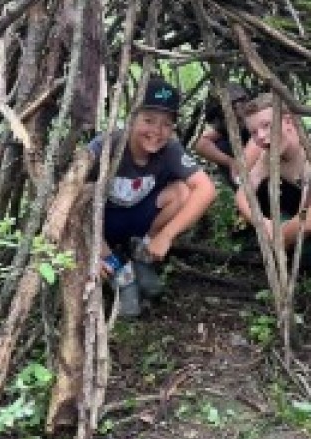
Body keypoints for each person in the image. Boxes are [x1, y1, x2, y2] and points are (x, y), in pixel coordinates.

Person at [91, 77, 218, 318]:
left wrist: (166, 236)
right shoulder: (107, 145)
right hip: (102, 225)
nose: (156, 132)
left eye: (166, 124)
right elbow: (72, 201)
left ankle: (142, 254)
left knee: (184, 190)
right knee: (84, 204)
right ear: (132, 118)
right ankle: (120, 270)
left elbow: (206, 189)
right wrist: (93, 252)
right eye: (148, 120)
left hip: (140, 222)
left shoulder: (169, 149)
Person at [233, 94, 311, 278]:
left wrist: (277, 239)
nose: (261, 136)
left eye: (267, 125)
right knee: (264, 190)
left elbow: (308, 222)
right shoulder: (269, 155)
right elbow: (242, 195)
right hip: (299, 218)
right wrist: (262, 223)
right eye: (253, 132)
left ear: (288, 121)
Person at [192, 83, 254, 175]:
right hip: (244, 164)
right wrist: (230, 162)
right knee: (219, 145)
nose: (239, 105)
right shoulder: (227, 121)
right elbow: (199, 143)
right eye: (233, 103)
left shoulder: (260, 113)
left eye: (242, 100)